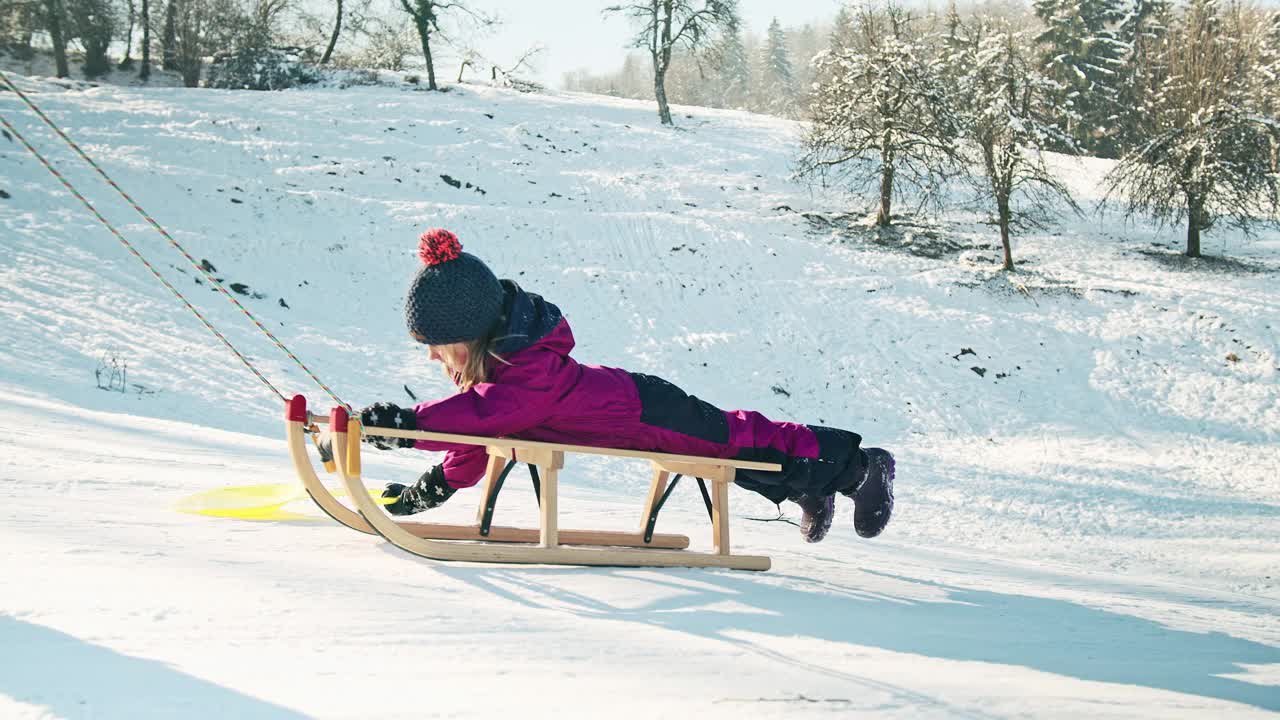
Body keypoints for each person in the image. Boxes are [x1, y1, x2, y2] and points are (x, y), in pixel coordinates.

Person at [349, 229, 895, 543]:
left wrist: (406, 425)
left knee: (735, 438)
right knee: (725, 453)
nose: (431, 355)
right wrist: (434, 487)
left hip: (649, 411)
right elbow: (479, 436)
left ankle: (858, 465)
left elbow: (482, 418)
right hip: (638, 418)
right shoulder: (500, 373)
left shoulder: (525, 374)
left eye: (438, 343)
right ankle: (807, 487)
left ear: (470, 334)